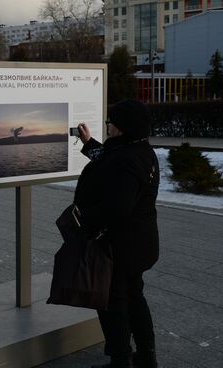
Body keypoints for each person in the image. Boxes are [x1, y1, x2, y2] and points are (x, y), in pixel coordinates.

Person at [73, 99, 160, 368]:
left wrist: (81, 220)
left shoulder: (125, 160)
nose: (108, 125)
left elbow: (117, 209)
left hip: (120, 249)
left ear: (122, 128)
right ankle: (146, 357)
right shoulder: (140, 150)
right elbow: (110, 160)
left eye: (111, 122)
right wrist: (88, 143)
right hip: (140, 244)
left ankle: (120, 361)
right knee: (135, 298)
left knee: (113, 305)